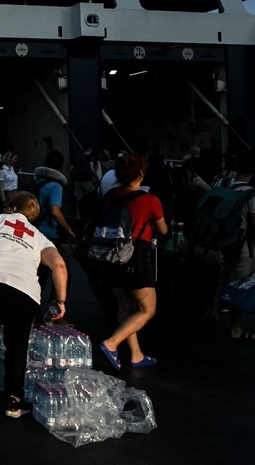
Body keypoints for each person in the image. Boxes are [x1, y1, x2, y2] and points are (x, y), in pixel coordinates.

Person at [0, 191, 68, 418]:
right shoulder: (39, 237)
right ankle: (14, 400)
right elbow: (59, 265)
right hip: (23, 291)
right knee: (17, 346)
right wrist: (60, 301)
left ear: (12, 207)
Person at [97, 153, 168, 370]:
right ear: (141, 173)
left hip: (112, 257)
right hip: (136, 257)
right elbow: (163, 229)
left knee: (125, 307)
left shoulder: (110, 196)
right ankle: (112, 343)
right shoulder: (150, 200)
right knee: (147, 309)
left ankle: (136, 355)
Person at [214, 154, 255, 339]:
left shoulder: (220, 184)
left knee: (221, 281)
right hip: (241, 245)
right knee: (239, 286)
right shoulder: (253, 194)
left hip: (217, 243)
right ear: (254, 171)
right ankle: (236, 329)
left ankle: (214, 314)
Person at [31, 151, 76, 302]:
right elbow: (55, 211)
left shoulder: (37, 183)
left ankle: (33, 309)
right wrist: (69, 230)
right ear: (61, 166)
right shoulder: (56, 186)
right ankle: (55, 308)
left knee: (39, 275)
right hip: (49, 234)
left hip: (35, 232)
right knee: (63, 272)